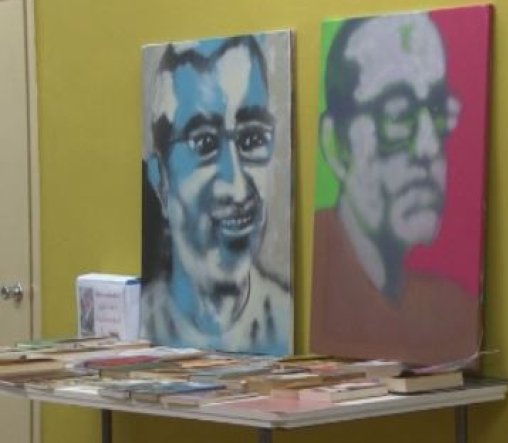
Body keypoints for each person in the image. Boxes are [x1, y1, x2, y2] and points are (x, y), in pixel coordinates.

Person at [310, 13, 478, 365]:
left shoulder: (452, 315)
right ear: (336, 144)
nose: (429, 147)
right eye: (399, 115)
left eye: (437, 111)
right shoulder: (318, 285)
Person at [141, 36, 291, 355]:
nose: (237, 188)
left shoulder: (284, 320)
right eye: (205, 144)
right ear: (161, 179)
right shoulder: (142, 327)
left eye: (252, 139)